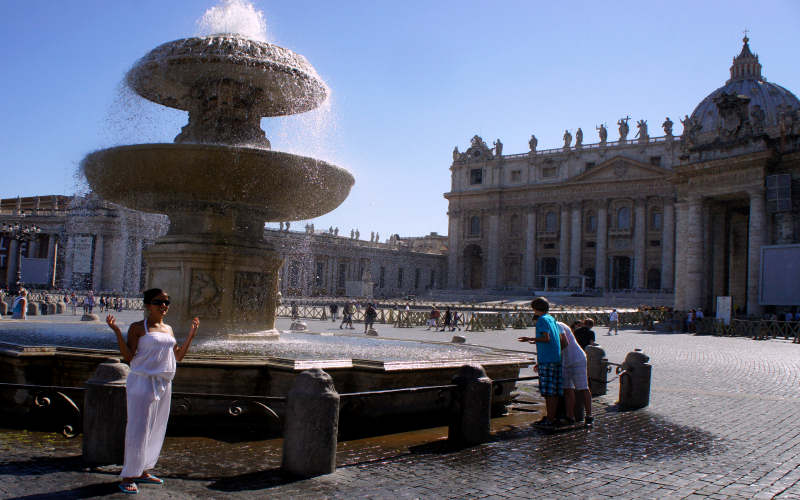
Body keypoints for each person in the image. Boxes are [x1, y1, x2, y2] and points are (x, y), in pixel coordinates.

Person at [105, 288, 199, 495]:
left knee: (156, 427)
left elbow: (179, 357)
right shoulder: (138, 328)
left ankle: (144, 469)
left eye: (167, 302)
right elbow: (129, 356)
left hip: (164, 383)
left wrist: (191, 335)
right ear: (148, 305)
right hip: (142, 381)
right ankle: (128, 475)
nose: (164, 306)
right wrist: (117, 332)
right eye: (159, 302)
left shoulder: (169, 329)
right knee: (138, 429)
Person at [517, 297, 563, 428]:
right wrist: (536, 340)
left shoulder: (541, 320)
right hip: (555, 357)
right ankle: (551, 417)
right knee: (554, 390)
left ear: (535, 309)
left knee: (548, 391)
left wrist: (529, 338)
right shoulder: (551, 318)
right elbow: (554, 337)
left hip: (547, 359)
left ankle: (549, 419)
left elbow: (546, 338)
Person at [557, 321, 593, 427]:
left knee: (582, 387)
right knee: (567, 388)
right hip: (565, 360)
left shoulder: (557, 325)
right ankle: (570, 416)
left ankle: (589, 415)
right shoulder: (553, 325)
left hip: (576, 358)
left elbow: (564, 342)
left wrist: (553, 355)